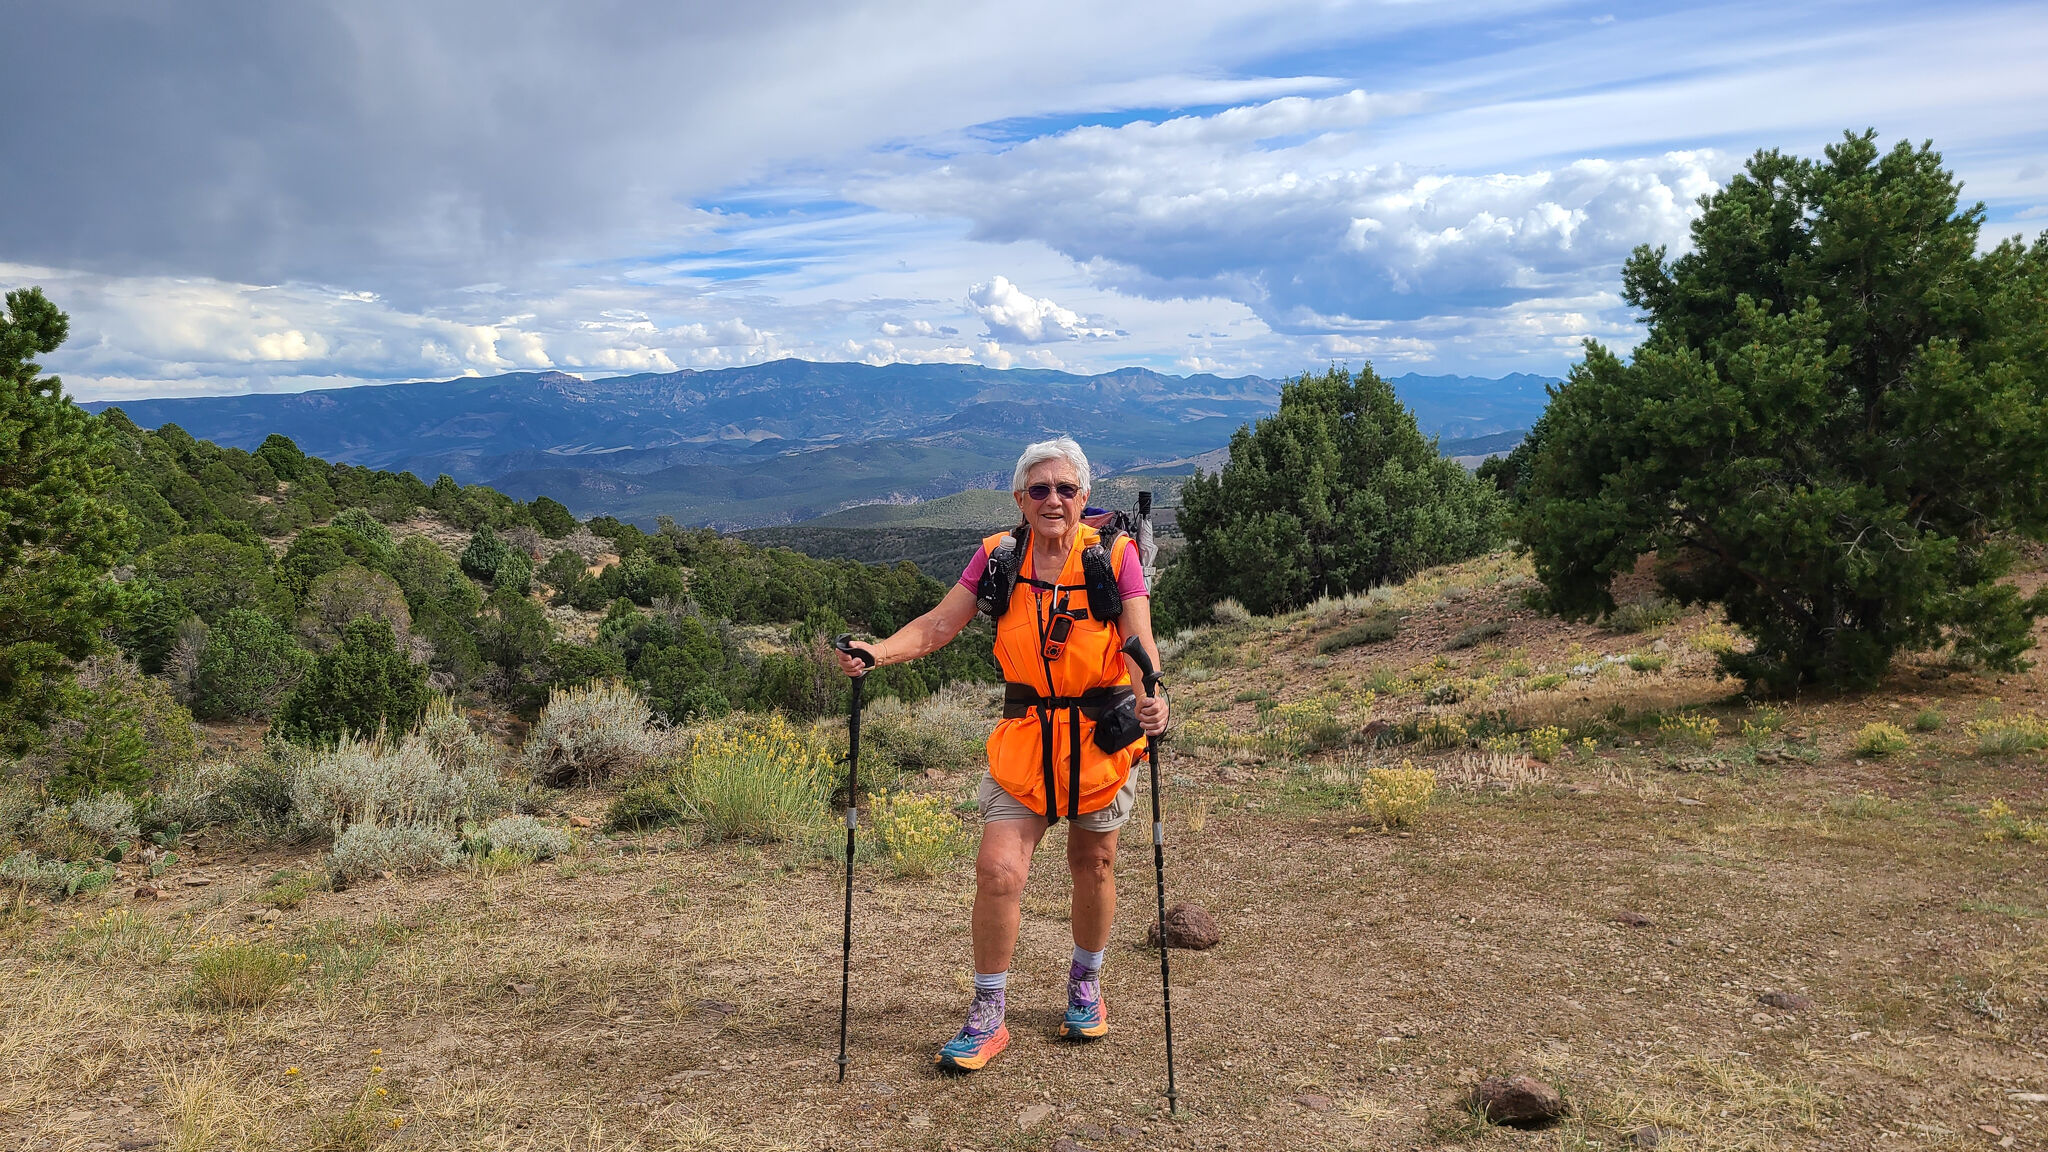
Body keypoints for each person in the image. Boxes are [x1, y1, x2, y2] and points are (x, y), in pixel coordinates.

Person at [835, 435, 1169, 1074]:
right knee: (997, 871)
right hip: (1026, 739)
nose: (1053, 499)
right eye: (1039, 489)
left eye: (1065, 489)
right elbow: (938, 625)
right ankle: (989, 1013)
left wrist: (1153, 700)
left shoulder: (1116, 556)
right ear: (1019, 498)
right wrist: (877, 652)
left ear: (1084, 498)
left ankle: (1085, 982)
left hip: (1100, 737)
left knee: (1094, 863)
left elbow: (1137, 640)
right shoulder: (997, 558)